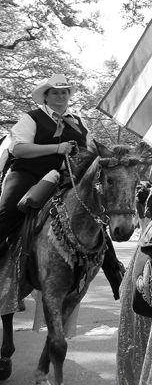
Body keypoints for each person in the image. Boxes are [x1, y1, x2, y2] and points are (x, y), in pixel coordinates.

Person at [0, 75, 90, 252]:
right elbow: (18, 149)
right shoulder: (32, 117)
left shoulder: (80, 122)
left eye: (64, 92)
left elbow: (90, 150)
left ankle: (114, 268)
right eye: (55, 92)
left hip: (70, 178)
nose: (61, 96)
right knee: (7, 212)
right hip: (30, 174)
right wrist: (56, 148)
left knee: (95, 213)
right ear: (46, 97)